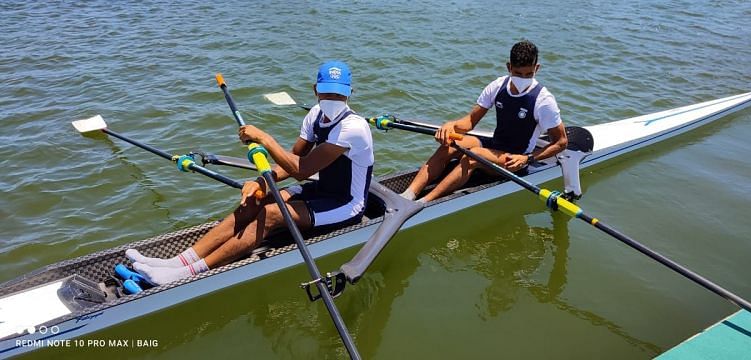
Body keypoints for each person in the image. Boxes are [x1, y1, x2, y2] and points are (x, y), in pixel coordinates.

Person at [126, 61, 374, 285]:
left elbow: (301, 170)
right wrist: (262, 182)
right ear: (315, 90)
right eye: (327, 92)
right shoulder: (314, 116)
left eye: (338, 94)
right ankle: (178, 261)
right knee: (255, 198)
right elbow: (292, 160)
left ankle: (189, 273)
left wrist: (264, 138)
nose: (332, 98)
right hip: (321, 190)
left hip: (346, 204)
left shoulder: (354, 127)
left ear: (349, 94)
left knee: (272, 214)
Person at [400, 40, 567, 202]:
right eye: (517, 73)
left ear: (536, 68)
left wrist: (528, 159)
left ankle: (423, 203)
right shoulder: (498, 86)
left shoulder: (544, 100)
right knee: (450, 145)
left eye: (529, 74)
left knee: (474, 156)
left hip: (515, 159)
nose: (523, 78)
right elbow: (470, 122)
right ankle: (408, 195)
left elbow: (561, 142)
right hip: (494, 145)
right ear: (509, 67)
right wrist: (450, 125)